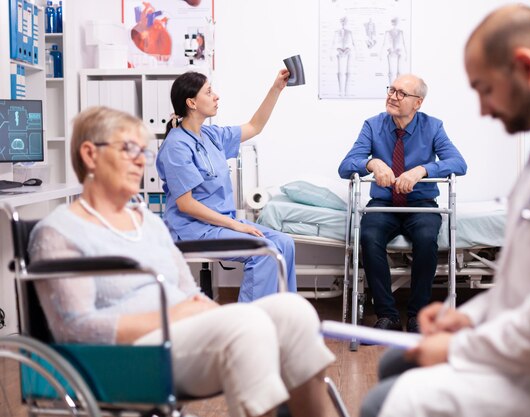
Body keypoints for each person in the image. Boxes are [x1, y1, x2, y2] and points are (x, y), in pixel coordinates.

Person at [360, 5, 530, 417]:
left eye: (484, 88)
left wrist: (462, 345)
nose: (483, 109)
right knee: (398, 360)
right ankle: (389, 317)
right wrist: (469, 318)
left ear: (524, 66)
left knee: (386, 398)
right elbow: (524, 282)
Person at [28, 106, 336, 417]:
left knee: (293, 313)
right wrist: (175, 315)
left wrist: (209, 316)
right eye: (128, 149)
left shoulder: (146, 222)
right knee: (248, 325)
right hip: (126, 358)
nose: (140, 161)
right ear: (90, 155)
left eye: (144, 152)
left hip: (177, 335)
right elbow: (77, 329)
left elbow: (191, 295)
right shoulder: (58, 233)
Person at [338, 74, 467, 333]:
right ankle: (388, 315)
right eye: (391, 90)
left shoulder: (433, 127)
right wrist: (372, 163)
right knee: (369, 235)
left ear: (417, 103)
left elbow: (459, 163)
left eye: (401, 93)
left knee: (426, 238)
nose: (392, 96)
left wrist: (423, 170)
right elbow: (345, 166)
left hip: (421, 204)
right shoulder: (373, 126)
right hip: (383, 204)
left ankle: (418, 315)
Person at [156, 70, 297, 302]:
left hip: (221, 223)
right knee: (263, 252)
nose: (216, 96)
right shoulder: (176, 146)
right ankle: (249, 324)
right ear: (191, 102)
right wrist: (236, 225)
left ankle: (281, 313)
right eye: (209, 92)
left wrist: (276, 89)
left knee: (285, 243)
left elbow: (254, 126)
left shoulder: (211, 135)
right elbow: (186, 204)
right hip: (193, 230)